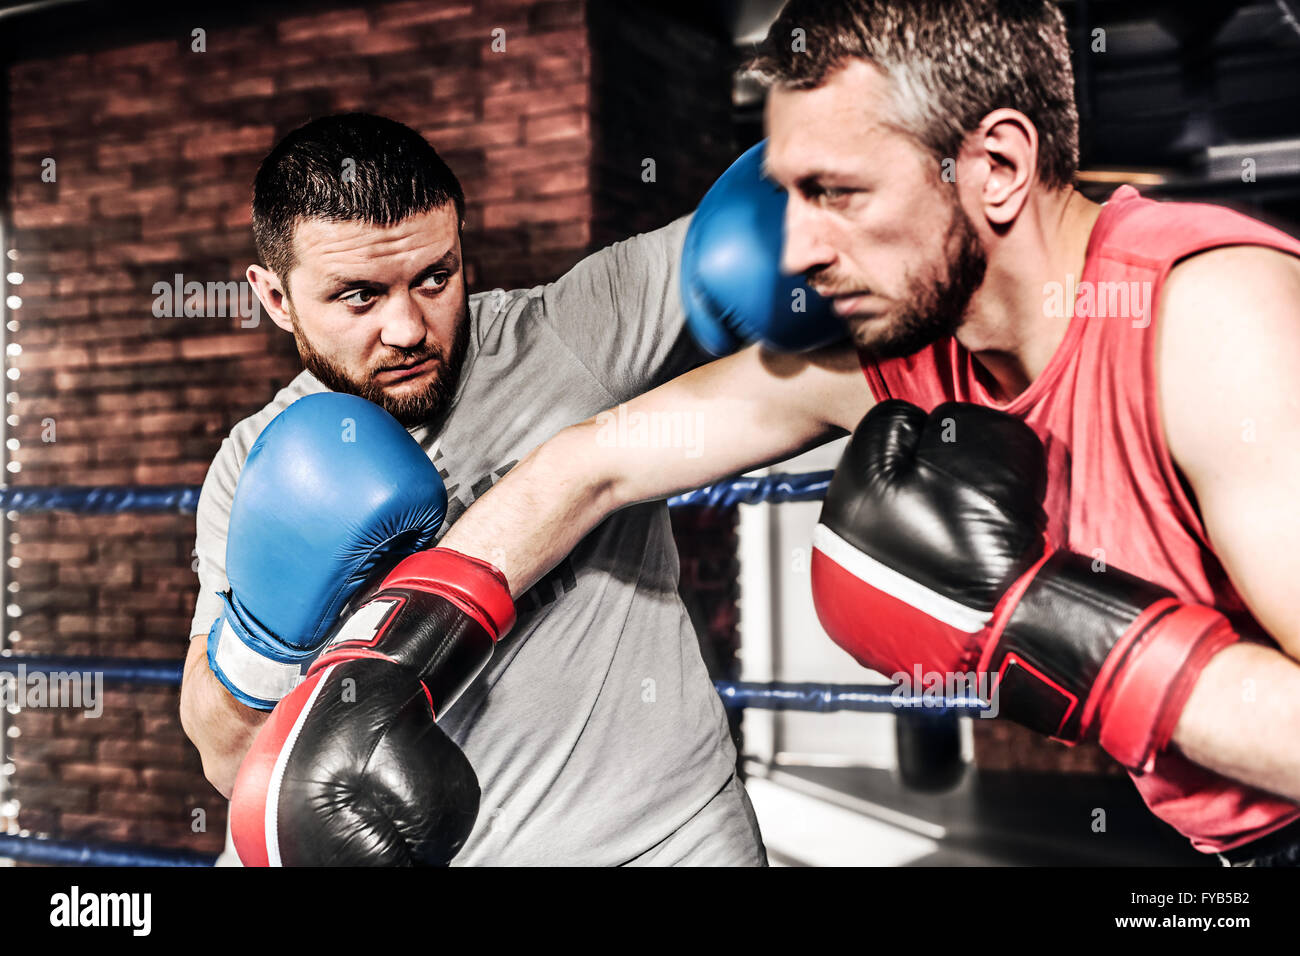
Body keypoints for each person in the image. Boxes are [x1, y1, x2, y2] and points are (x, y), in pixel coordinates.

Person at [419, 0, 1300, 865]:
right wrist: (383, 662)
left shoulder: (1210, 322)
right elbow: (592, 464)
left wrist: (1041, 629)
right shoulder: (899, 343)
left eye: (835, 192)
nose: (794, 252)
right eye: (788, 195)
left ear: (995, 167)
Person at [178, 112, 766, 866]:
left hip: (668, 841)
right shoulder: (255, 462)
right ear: (276, 298)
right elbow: (228, 764)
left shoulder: (572, 333)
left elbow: (797, 200)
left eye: (434, 277)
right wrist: (267, 640)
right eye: (358, 296)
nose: (407, 328)